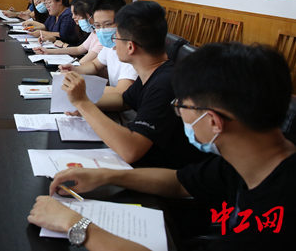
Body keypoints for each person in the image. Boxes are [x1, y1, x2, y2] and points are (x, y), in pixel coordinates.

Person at [28, 42, 295, 250]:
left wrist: (76, 224)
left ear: (213, 121)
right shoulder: (251, 156)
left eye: (181, 106)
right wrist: (106, 175)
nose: (180, 114)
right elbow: (179, 182)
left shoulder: (276, 217)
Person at [61, 1, 208, 168]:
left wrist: (83, 103)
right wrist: (80, 101)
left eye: (115, 38)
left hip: (168, 170)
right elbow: (124, 100)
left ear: (130, 47)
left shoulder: (164, 84)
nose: (114, 44)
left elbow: (131, 150)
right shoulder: (153, 73)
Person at [59, 0, 137, 105]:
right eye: (97, 26)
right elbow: (95, 65)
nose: (102, 30)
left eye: (108, 24)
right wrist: (75, 70)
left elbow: (121, 92)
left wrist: (81, 97)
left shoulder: (131, 52)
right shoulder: (109, 45)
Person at [34, 0, 102, 64]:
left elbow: (82, 62)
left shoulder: (102, 36)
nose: (74, 17)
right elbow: (78, 49)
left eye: (80, 16)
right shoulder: (94, 33)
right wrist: (48, 51)